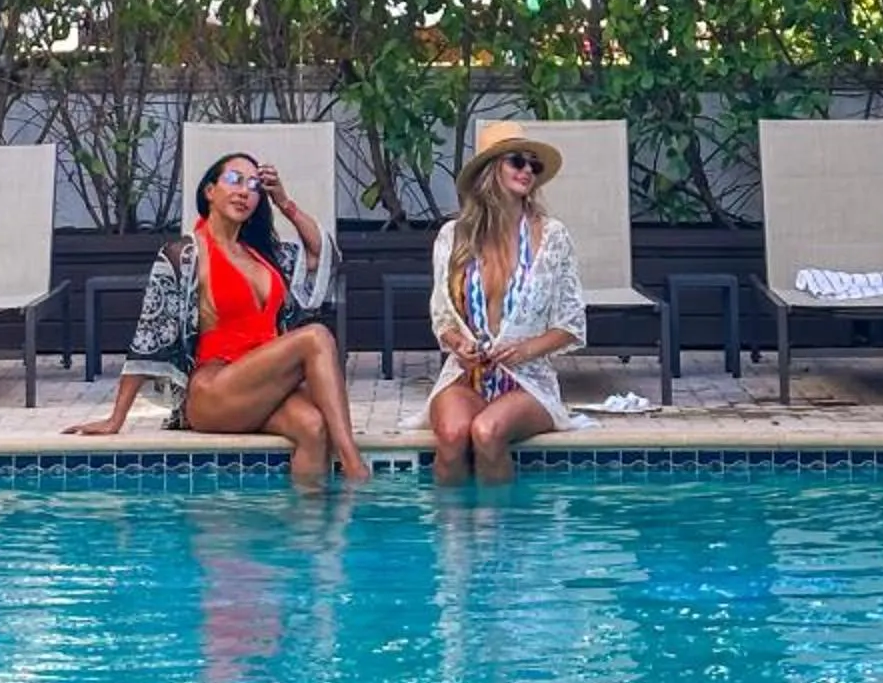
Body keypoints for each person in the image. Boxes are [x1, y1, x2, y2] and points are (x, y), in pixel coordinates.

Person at [69, 152, 371, 486]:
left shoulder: (266, 255)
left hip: (261, 386)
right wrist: (116, 418)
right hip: (214, 391)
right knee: (316, 336)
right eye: (234, 180)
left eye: (254, 185)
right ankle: (354, 466)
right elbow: (149, 333)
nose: (244, 191)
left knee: (313, 427)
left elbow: (323, 255)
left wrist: (285, 202)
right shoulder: (184, 255)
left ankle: (303, 533)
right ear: (210, 191)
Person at [428, 123, 586, 485]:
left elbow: (572, 324)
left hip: (528, 382)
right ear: (491, 170)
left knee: (486, 431)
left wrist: (525, 349)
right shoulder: (453, 237)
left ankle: (500, 535)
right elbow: (442, 319)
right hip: (466, 376)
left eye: (535, 166)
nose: (528, 170)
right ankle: (449, 538)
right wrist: (459, 345)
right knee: (452, 435)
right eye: (517, 161)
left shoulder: (552, 236)